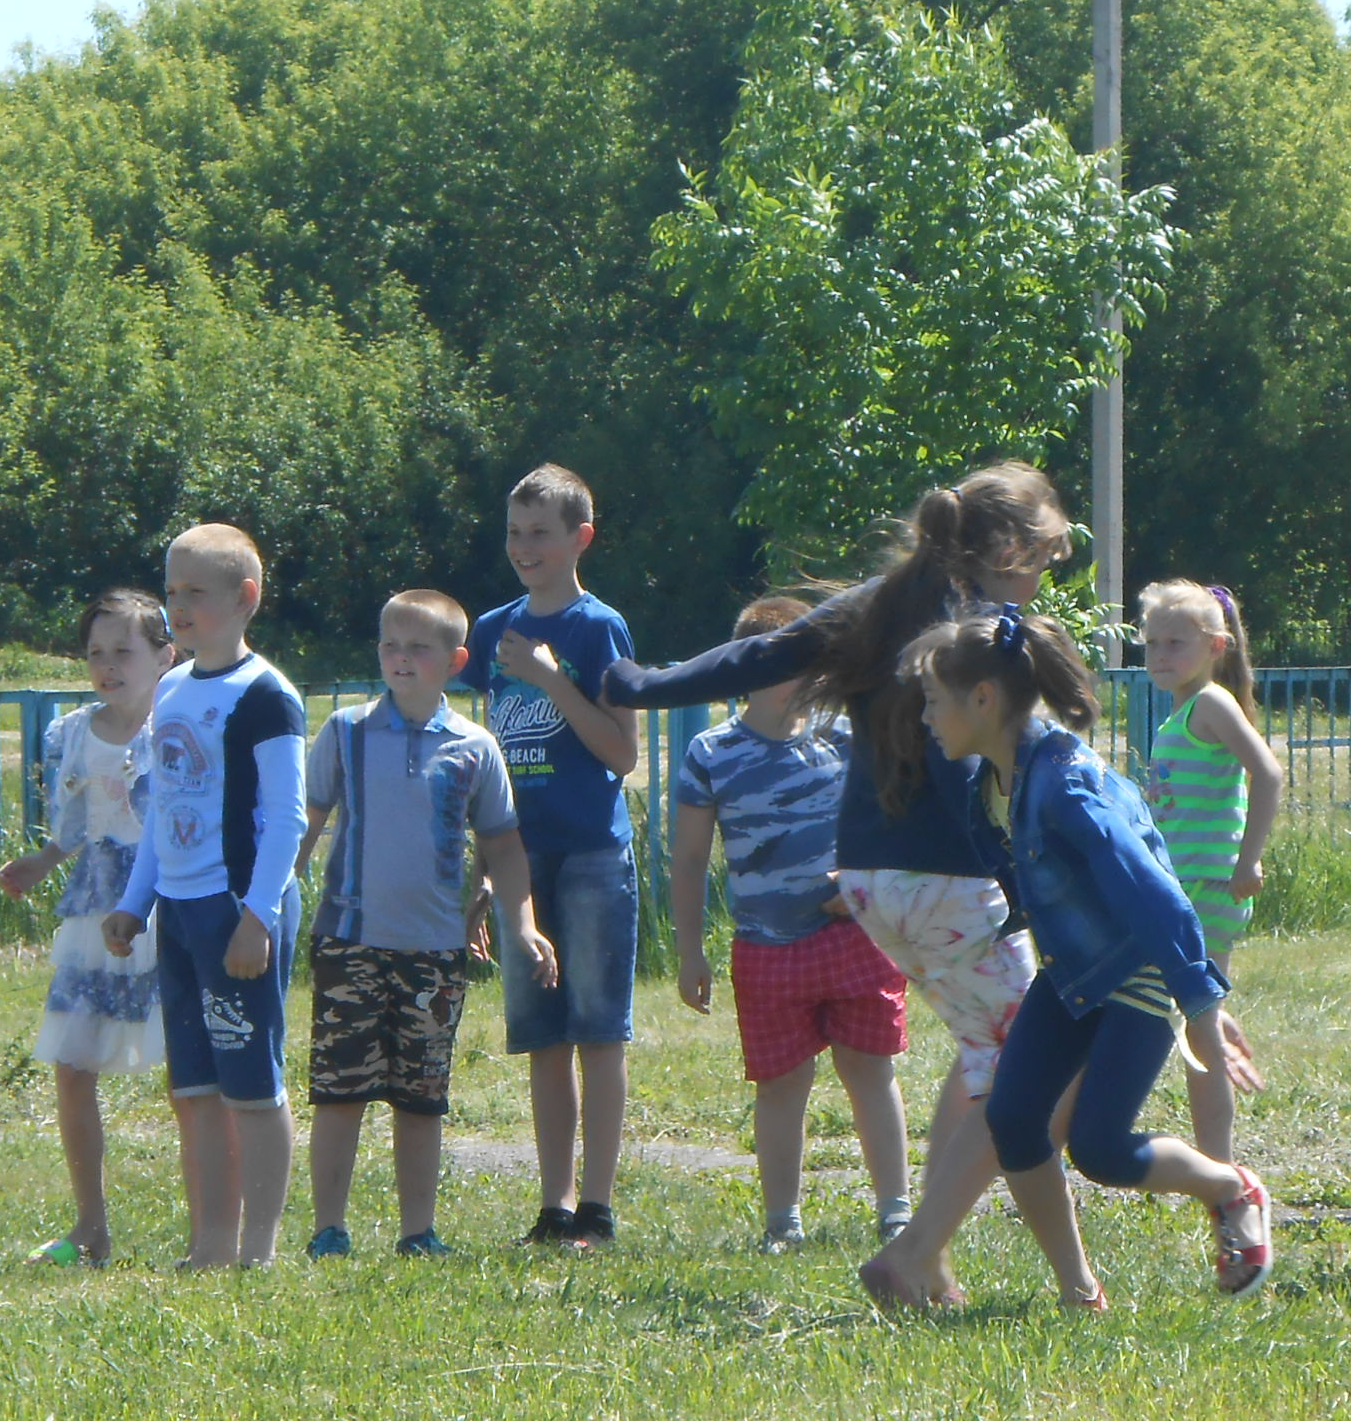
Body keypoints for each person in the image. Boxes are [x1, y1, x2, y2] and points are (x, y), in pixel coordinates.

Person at [601, 463, 1073, 1311]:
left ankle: (926, 1247)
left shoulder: (881, 598)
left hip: (865, 881)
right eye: (1046, 559)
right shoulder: (987, 630)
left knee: (986, 1053)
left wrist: (645, 685)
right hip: (947, 880)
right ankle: (927, 1251)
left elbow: (762, 653)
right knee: (1036, 1064)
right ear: (1006, 548)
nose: (1044, 579)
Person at [914, 608, 1273, 1308]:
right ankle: (1079, 1291)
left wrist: (1200, 1003)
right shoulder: (985, 784)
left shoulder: (1066, 784)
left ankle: (1233, 1186)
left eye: (932, 700)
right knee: (1013, 1120)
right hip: (1073, 972)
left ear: (983, 699)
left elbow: (1156, 895)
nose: (925, 717)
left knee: (1101, 1149)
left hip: (1137, 965)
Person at [297, 590, 553, 1258]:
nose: (401, 659)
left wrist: (520, 924)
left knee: (421, 1097)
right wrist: (271, 903)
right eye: (390, 645)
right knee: (339, 1090)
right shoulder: (344, 733)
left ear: (455, 660)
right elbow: (306, 823)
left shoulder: (474, 747)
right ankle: (329, 1228)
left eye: (419, 648)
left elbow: (502, 845)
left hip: (435, 951)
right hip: (349, 941)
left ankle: (418, 1231)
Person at [670, 599, 915, 1252]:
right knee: (781, 1084)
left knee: (871, 1072)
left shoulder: (846, 735)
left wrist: (863, 878)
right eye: (781, 662)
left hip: (858, 936)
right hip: (766, 949)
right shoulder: (712, 753)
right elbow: (690, 859)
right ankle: (783, 1222)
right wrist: (690, 950)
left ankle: (895, 1210)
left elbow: (893, 817)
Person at [102, 523, 307, 1272]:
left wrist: (258, 915)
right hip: (181, 914)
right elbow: (163, 806)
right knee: (195, 1090)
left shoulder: (265, 695)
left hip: (236, 909)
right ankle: (210, 1244)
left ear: (244, 598)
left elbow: (285, 818)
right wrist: (137, 898)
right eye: (171, 591)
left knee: (252, 1087)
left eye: (195, 593)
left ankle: (258, 1249)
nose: (177, 607)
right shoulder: (175, 691)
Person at [461, 465, 642, 1248]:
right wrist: (482, 875)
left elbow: (621, 753)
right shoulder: (494, 628)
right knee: (542, 1036)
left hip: (594, 853)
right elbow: (491, 764)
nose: (523, 547)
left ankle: (597, 1208)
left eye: (540, 532)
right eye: (514, 532)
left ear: (581, 539)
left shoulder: (598, 628)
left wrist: (546, 677)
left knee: (598, 1030)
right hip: (520, 860)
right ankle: (554, 1203)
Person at [0, 587, 172, 1266]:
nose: (107, 665)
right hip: (93, 911)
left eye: (123, 650)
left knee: (188, 1074)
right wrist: (42, 862)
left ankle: (214, 1226)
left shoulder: (175, 732)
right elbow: (73, 827)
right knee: (72, 1066)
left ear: (165, 655)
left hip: (162, 906)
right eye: (95, 653)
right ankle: (89, 1226)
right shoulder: (72, 733)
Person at [1138, 578, 1282, 1164]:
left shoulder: (1211, 704)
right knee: (1191, 1016)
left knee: (1196, 1032)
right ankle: (1216, 1019)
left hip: (1210, 888)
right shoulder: (1177, 717)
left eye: (1176, 643)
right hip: (1181, 889)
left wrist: (1249, 859)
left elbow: (1267, 774)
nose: (1160, 656)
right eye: (1151, 644)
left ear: (1215, 647)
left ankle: (1218, 1163)